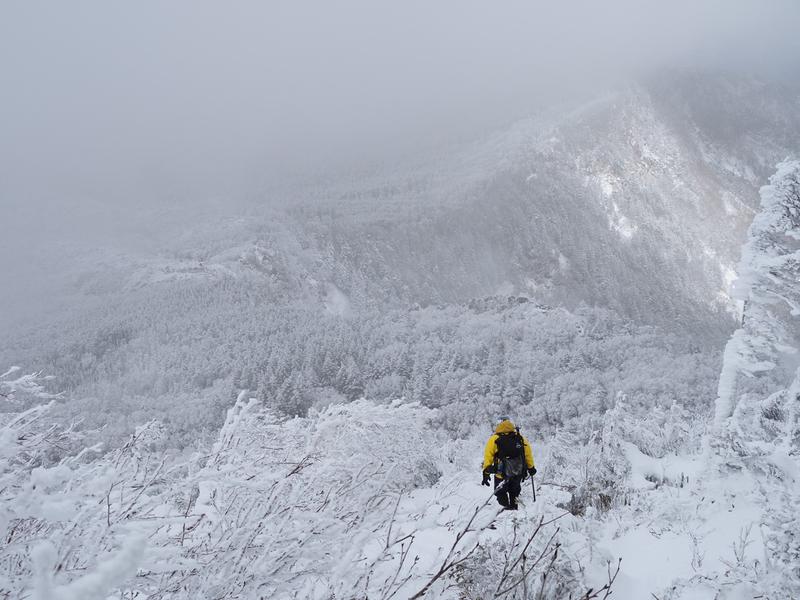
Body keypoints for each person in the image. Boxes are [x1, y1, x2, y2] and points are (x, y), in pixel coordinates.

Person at [481, 417, 536, 510]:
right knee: (514, 492)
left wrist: (486, 472)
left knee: (500, 492)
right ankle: (514, 510)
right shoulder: (520, 438)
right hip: (517, 472)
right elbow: (527, 454)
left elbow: (488, 456)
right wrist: (531, 468)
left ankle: (506, 509)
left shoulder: (494, 439)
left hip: (501, 474)